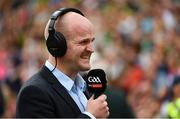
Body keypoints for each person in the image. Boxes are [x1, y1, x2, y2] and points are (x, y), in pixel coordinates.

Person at [16, 7, 109, 118]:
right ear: (57, 45)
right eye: (83, 42)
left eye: (91, 41)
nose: (91, 49)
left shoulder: (86, 85)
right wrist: (90, 116)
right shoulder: (34, 93)